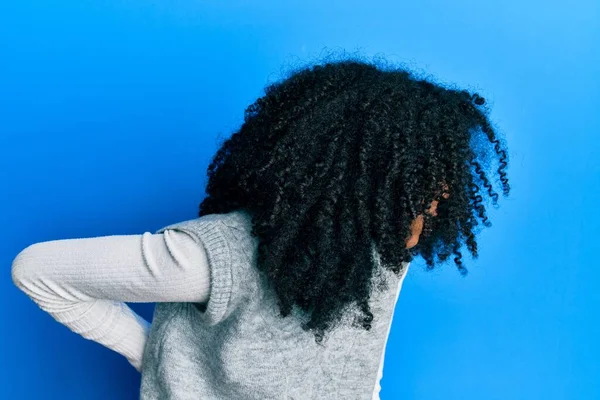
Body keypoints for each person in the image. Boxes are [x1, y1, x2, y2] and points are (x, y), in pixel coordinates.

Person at [11, 55, 510, 399]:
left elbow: (361, 365)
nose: (443, 199)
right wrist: (153, 358)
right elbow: (37, 270)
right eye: (423, 185)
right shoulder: (217, 256)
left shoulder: (381, 256)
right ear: (362, 181)